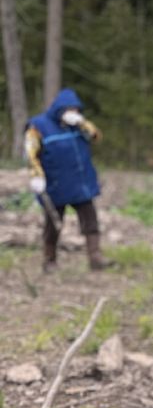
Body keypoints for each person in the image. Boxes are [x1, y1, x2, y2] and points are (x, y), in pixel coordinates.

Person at [25, 88, 108, 273]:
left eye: (76, 109)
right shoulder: (38, 126)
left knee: (90, 220)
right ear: (59, 108)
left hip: (81, 183)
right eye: (70, 109)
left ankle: (95, 258)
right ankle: (49, 261)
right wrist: (36, 176)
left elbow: (96, 137)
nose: (74, 113)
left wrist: (82, 122)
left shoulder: (78, 126)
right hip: (55, 184)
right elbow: (31, 155)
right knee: (53, 225)